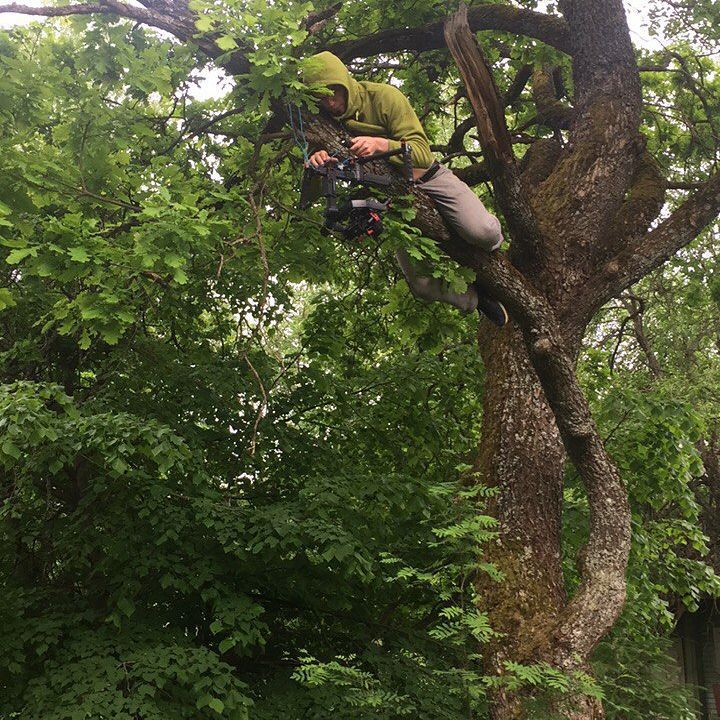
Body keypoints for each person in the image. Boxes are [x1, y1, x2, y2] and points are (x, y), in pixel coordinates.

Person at [302, 51, 508, 326]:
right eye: (321, 98)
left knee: (481, 231)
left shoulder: (384, 97)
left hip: (430, 178)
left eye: (333, 93)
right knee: (422, 286)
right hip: (390, 201)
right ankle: (475, 300)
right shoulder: (324, 121)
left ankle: (498, 249)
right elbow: (312, 190)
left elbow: (422, 153)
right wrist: (317, 160)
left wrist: (383, 145)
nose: (330, 103)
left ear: (344, 82)